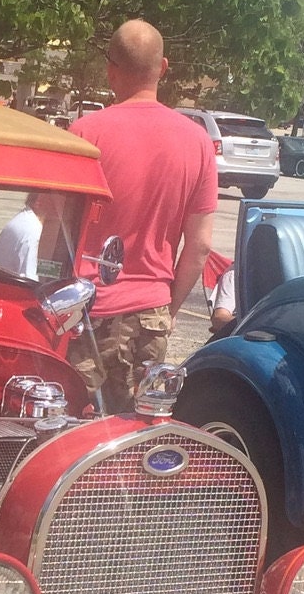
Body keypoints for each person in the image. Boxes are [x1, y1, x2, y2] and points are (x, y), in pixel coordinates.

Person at [67, 20, 218, 411]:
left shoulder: (84, 134)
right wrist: (166, 311)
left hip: (90, 314)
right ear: (163, 67)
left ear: (110, 70)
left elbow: (53, 229)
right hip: (152, 314)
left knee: (77, 441)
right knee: (135, 440)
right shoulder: (198, 142)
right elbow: (199, 246)